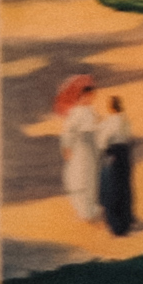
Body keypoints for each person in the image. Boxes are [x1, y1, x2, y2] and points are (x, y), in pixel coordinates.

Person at [53, 73, 100, 223]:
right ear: (82, 96)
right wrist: (67, 147)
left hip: (92, 147)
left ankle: (91, 209)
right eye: (88, 95)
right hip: (81, 147)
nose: (91, 98)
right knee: (80, 177)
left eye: (92, 95)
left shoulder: (91, 111)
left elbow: (97, 127)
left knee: (92, 177)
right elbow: (68, 132)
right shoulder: (76, 113)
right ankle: (84, 211)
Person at [95, 94, 134, 237]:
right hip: (125, 154)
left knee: (111, 187)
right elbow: (129, 136)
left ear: (111, 107)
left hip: (113, 155)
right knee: (124, 187)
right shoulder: (125, 120)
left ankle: (116, 225)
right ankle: (126, 220)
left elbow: (103, 140)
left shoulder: (111, 121)